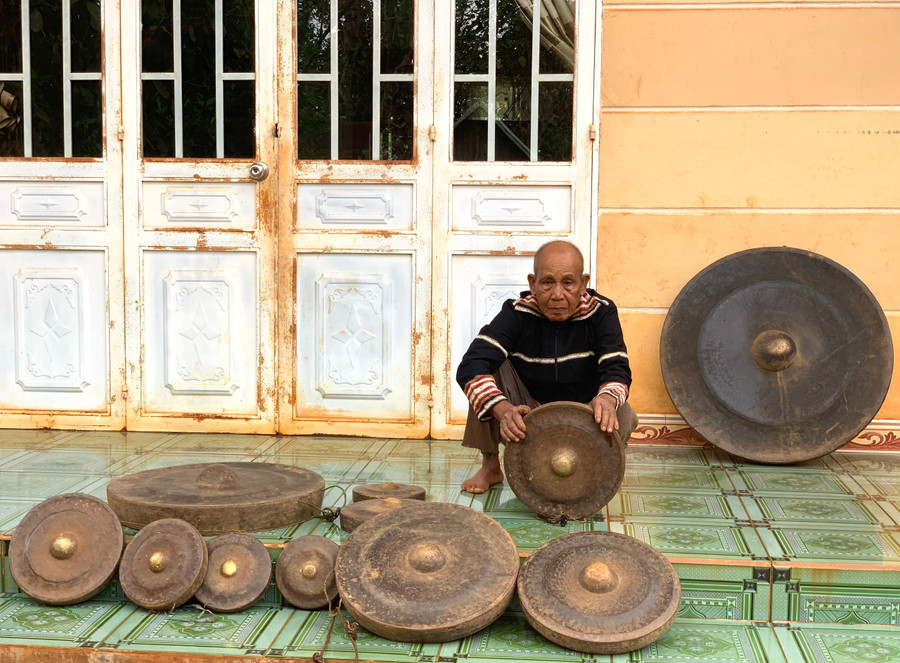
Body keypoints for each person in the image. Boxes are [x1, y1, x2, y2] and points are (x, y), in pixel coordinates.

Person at [456, 240, 638, 494]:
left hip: (585, 413)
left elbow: (617, 367)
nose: (557, 294)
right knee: (486, 371)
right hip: (528, 413)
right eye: (547, 282)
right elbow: (471, 364)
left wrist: (606, 398)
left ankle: (596, 468)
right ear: (533, 283)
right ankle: (491, 466)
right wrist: (502, 408)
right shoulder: (517, 313)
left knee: (621, 409)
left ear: (583, 284)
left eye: (568, 282)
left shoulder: (601, 313)